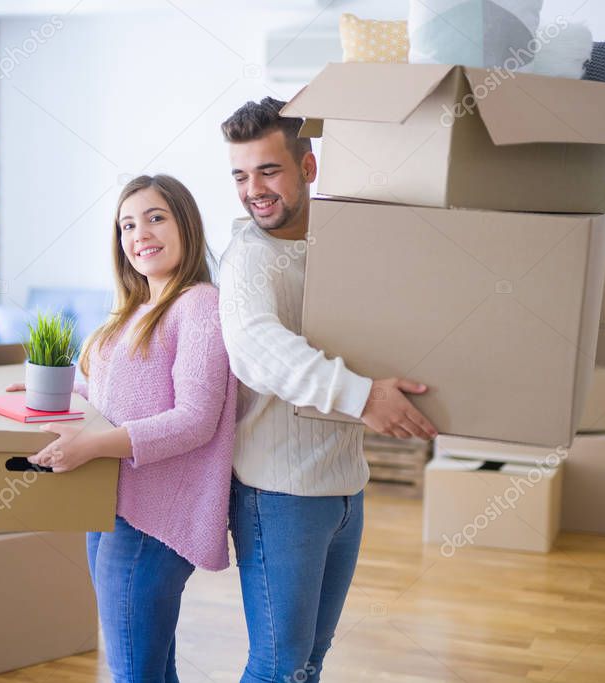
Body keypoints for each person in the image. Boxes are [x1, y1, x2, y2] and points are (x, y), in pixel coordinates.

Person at [218, 98, 438, 683]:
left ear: (307, 169)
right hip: (279, 495)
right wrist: (365, 397)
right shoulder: (249, 257)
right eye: (240, 175)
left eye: (268, 170)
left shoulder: (342, 244)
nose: (253, 189)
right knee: (278, 666)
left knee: (310, 662)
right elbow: (256, 348)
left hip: (345, 487)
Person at [8, 174, 237, 683]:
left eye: (156, 217)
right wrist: (54, 395)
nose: (140, 234)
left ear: (186, 224)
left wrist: (90, 447)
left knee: (134, 672)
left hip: (152, 518)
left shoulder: (199, 305)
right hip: (111, 504)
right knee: (149, 666)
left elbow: (195, 420)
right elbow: (111, 398)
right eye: (127, 225)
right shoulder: (138, 309)